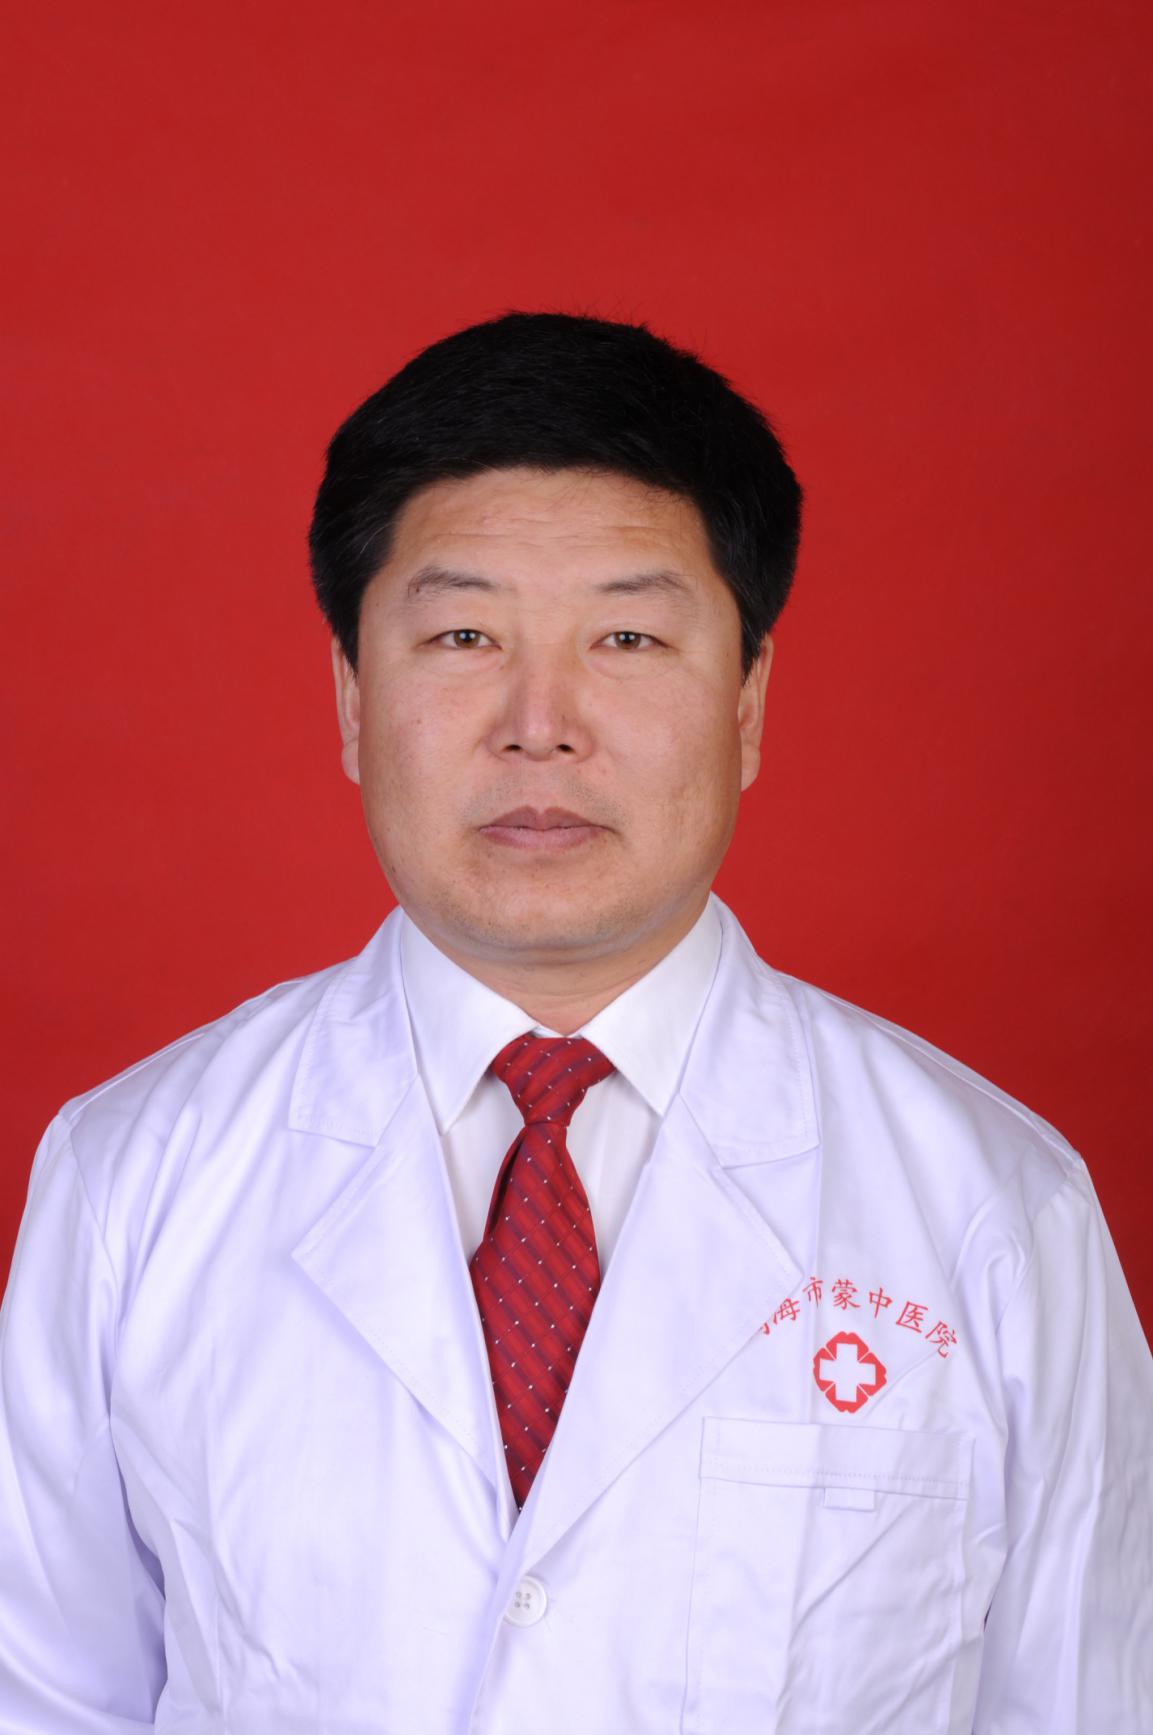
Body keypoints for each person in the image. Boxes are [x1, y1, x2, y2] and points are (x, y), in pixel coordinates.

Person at [1, 310, 1149, 1734]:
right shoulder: (133, 1179)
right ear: (352, 697)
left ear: (748, 700)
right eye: (463, 634)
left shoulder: (997, 1208)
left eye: (627, 636)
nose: (540, 722)